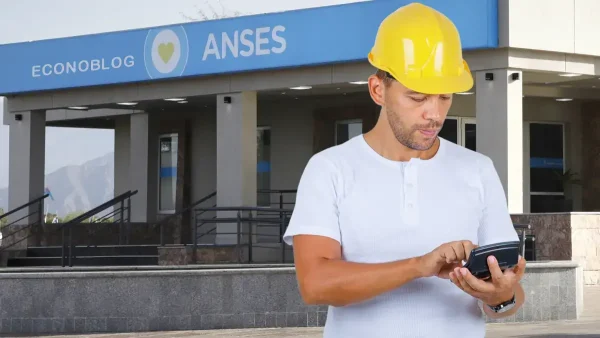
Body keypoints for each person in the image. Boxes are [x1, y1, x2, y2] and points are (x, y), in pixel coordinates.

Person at [282, 3, 526, 338]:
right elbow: (315, 284)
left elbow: (508, 296)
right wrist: (418, 266)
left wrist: (502, 296)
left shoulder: (478, 171)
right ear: (378, 90)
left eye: (444, 97)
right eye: (417, 98)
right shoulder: (329, 169)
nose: (434, 114)